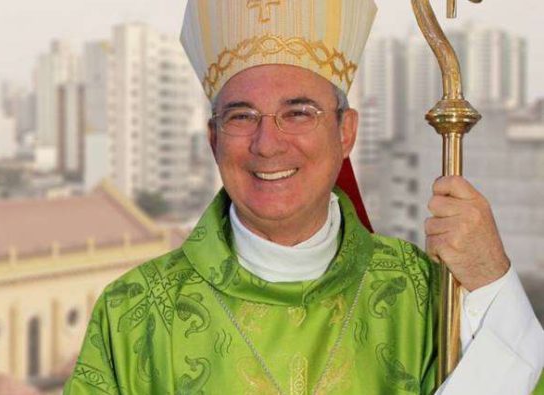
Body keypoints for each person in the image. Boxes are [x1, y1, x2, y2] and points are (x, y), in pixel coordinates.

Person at [63, 0, 544, 394]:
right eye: (242, 116)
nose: (267, 144)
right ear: (213, 140)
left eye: (298, 112)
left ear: (346, 132)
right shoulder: (132, 314)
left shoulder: (422, 294)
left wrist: (488, 277)